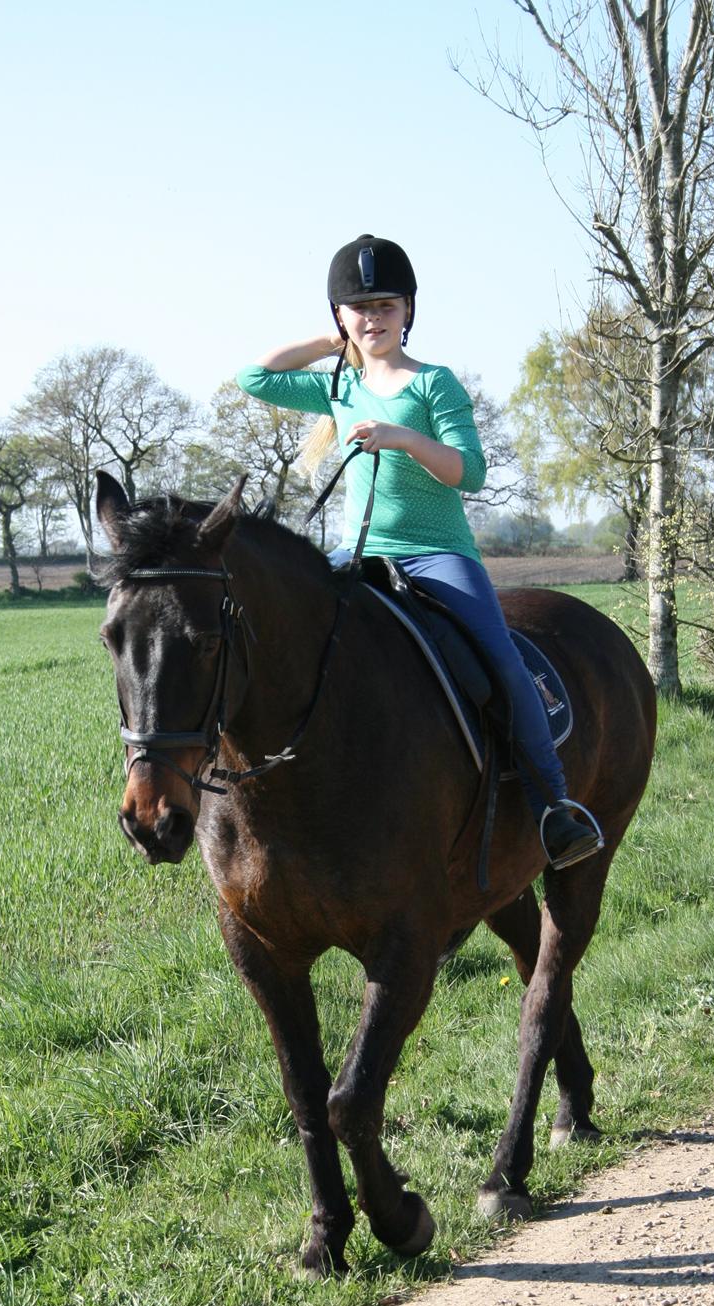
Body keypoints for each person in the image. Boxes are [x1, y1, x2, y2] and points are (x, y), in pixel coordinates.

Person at [235, 231, 603, 870]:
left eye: (386, 306)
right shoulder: (336, 386)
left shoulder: (434, 383)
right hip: (355, 554)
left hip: (436, 553)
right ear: (342, 315)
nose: (374, 318)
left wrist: (401, 436)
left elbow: (470, 472)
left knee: (502, 662)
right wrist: (333, 341)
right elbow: (253, 376)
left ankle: (553, 805)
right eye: (360, 308)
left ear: (409, 311)